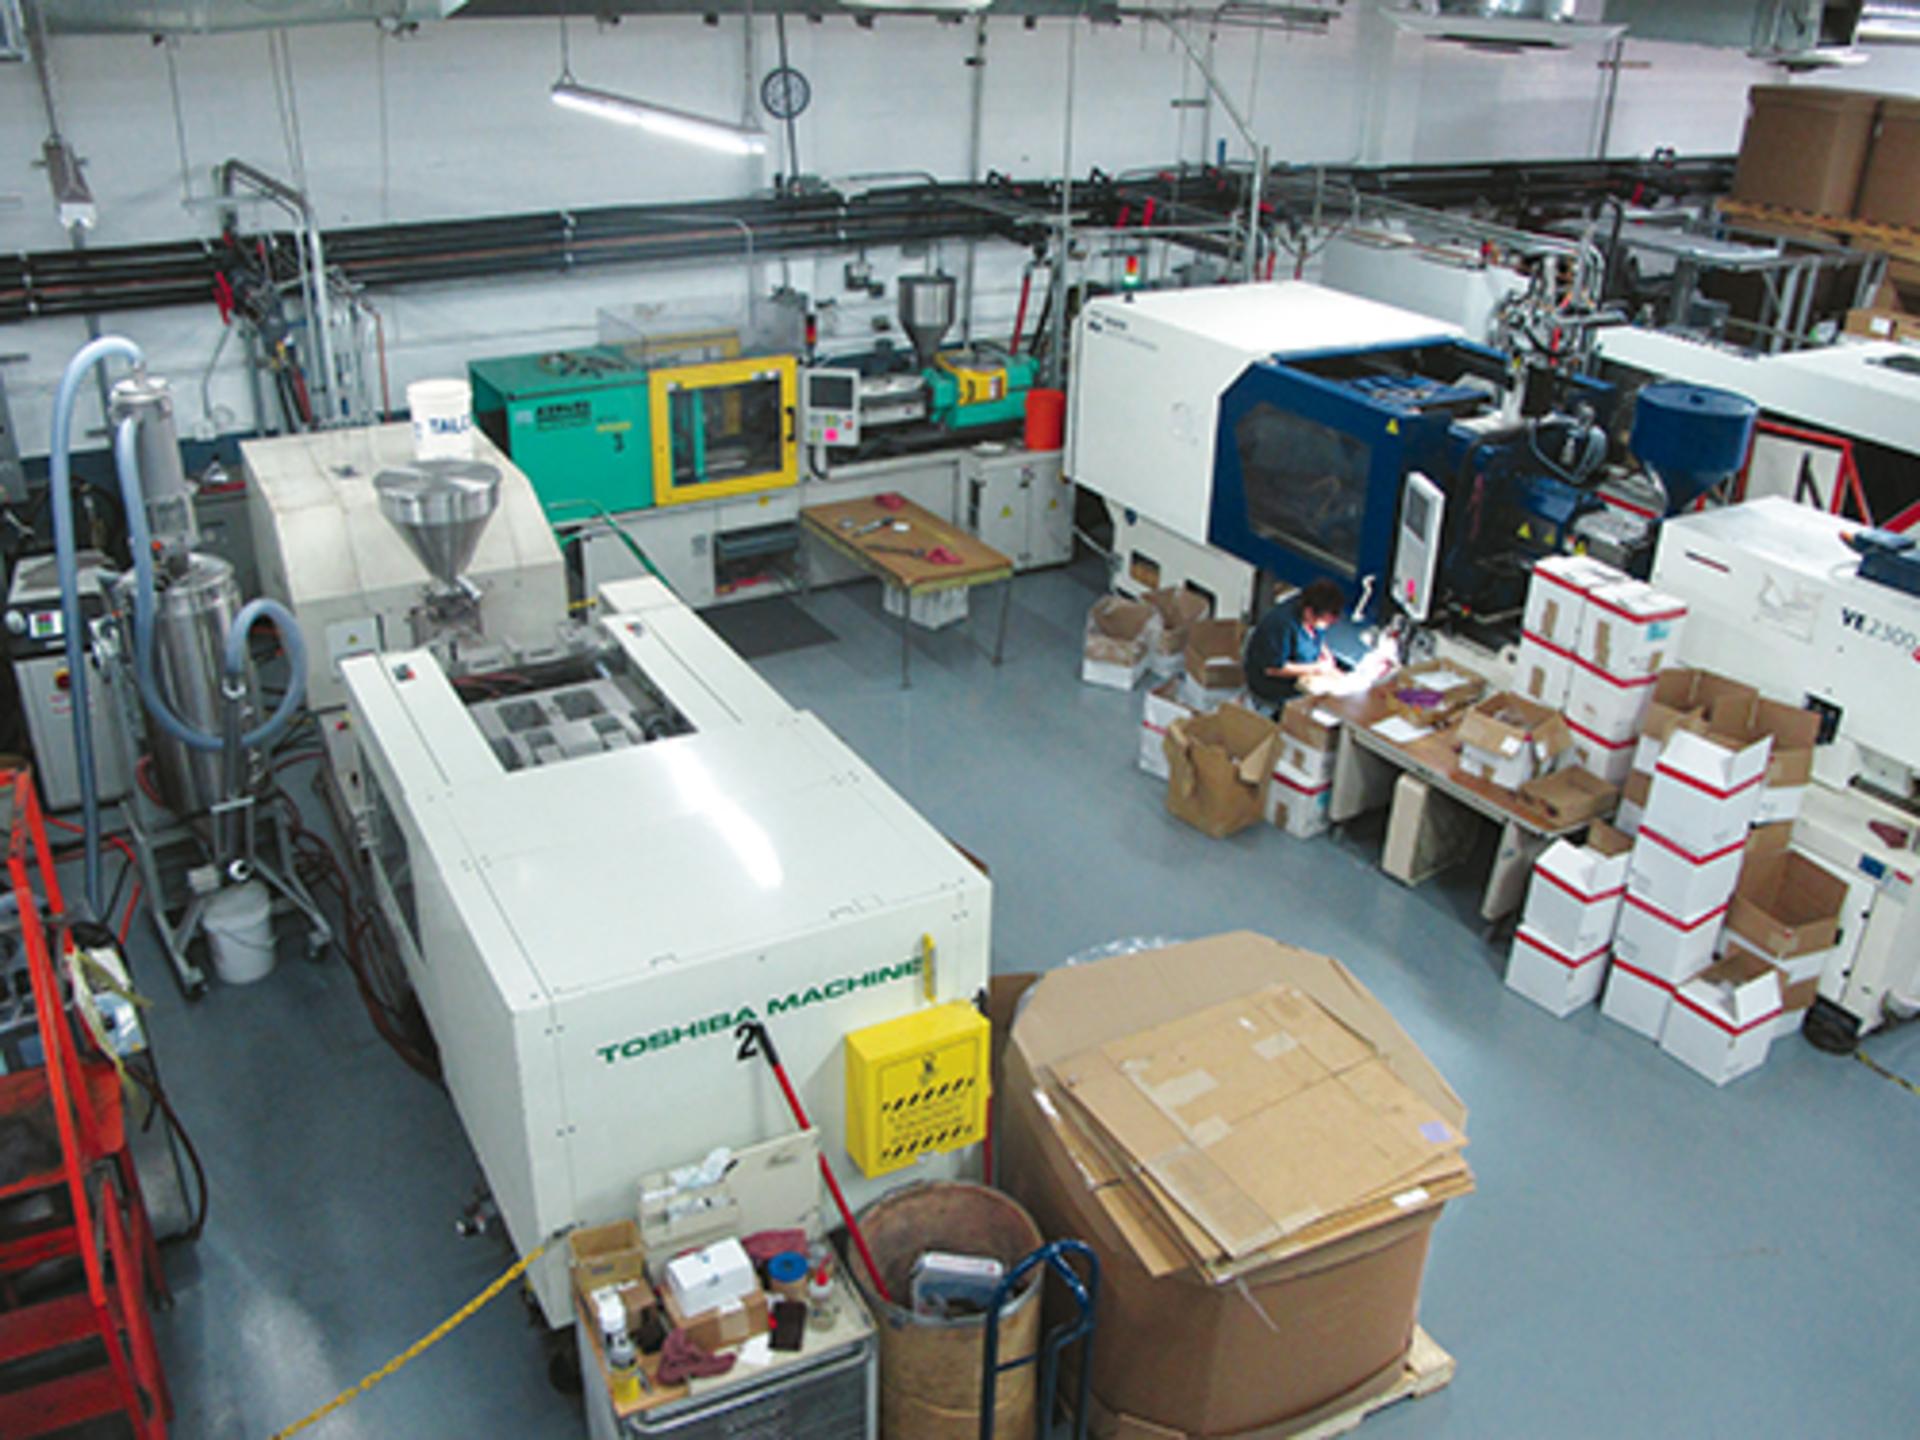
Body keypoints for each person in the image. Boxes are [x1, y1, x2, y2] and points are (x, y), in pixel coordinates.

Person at [1245, 578, 1347, 710]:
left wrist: (1325, 654)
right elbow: (1273, 668)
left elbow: (1317, 636)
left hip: (1305, 673)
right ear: (1309, 612)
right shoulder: (1281, 625)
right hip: (1274, 686)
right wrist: (1316, 668)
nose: (1325, 626)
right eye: (1324, 621)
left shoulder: (1312, 616)